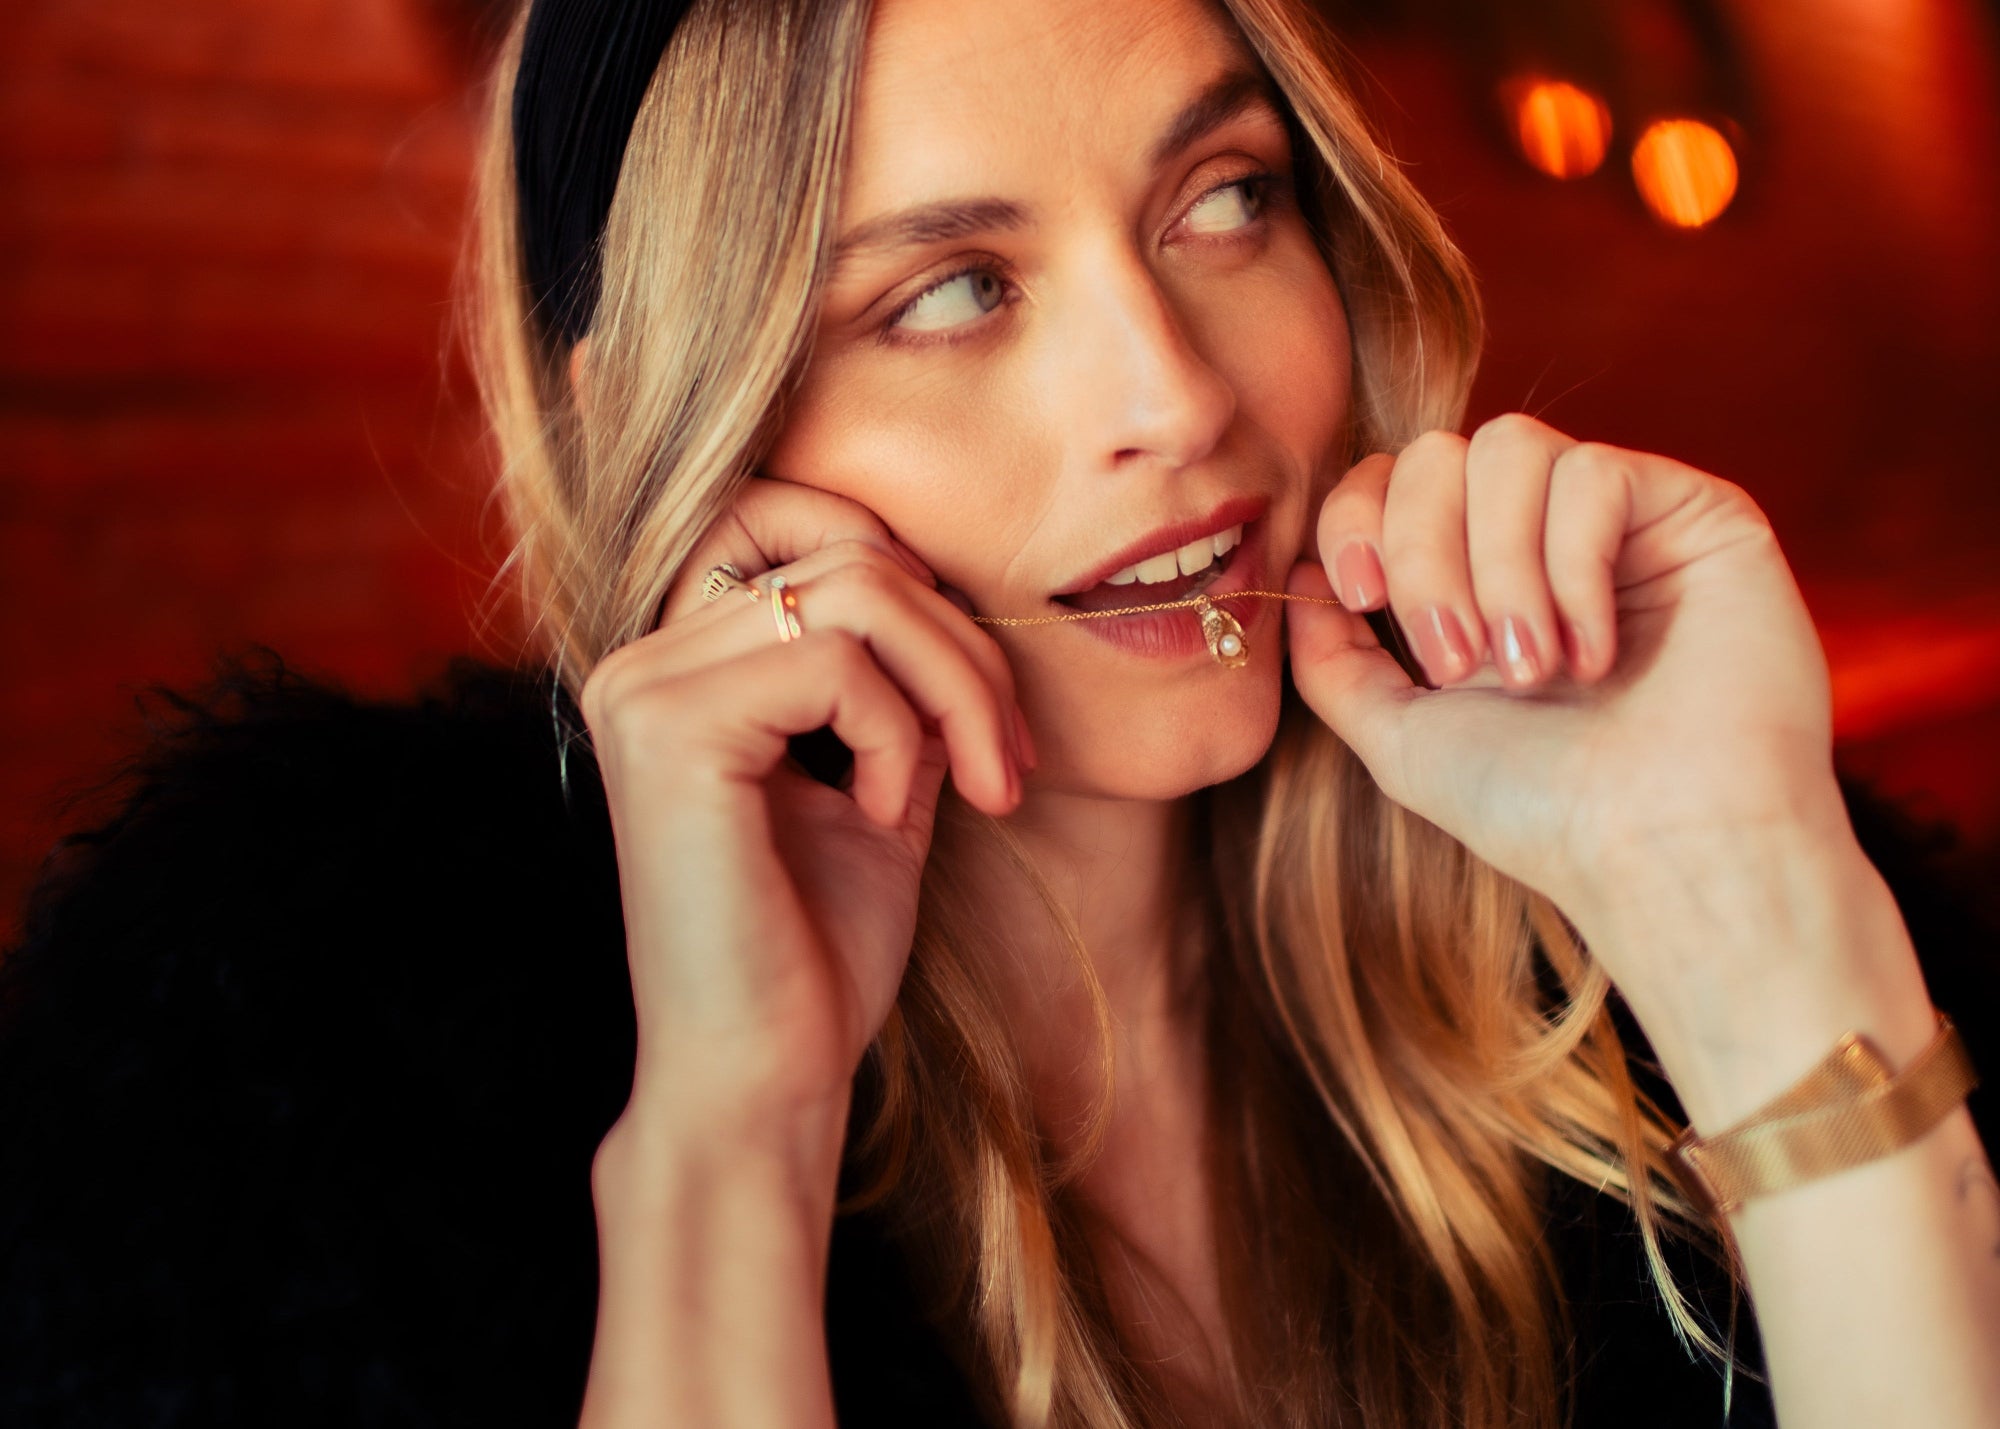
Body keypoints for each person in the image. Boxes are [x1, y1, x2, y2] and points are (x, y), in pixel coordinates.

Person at [1, 0, 1995, 1425]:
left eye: (1224, 196)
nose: (1177, 397)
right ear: (672, 431)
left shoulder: (1581, 962)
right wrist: (734, 1136)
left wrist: (1751, 915)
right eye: (950, 291)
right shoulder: (307, 1086)